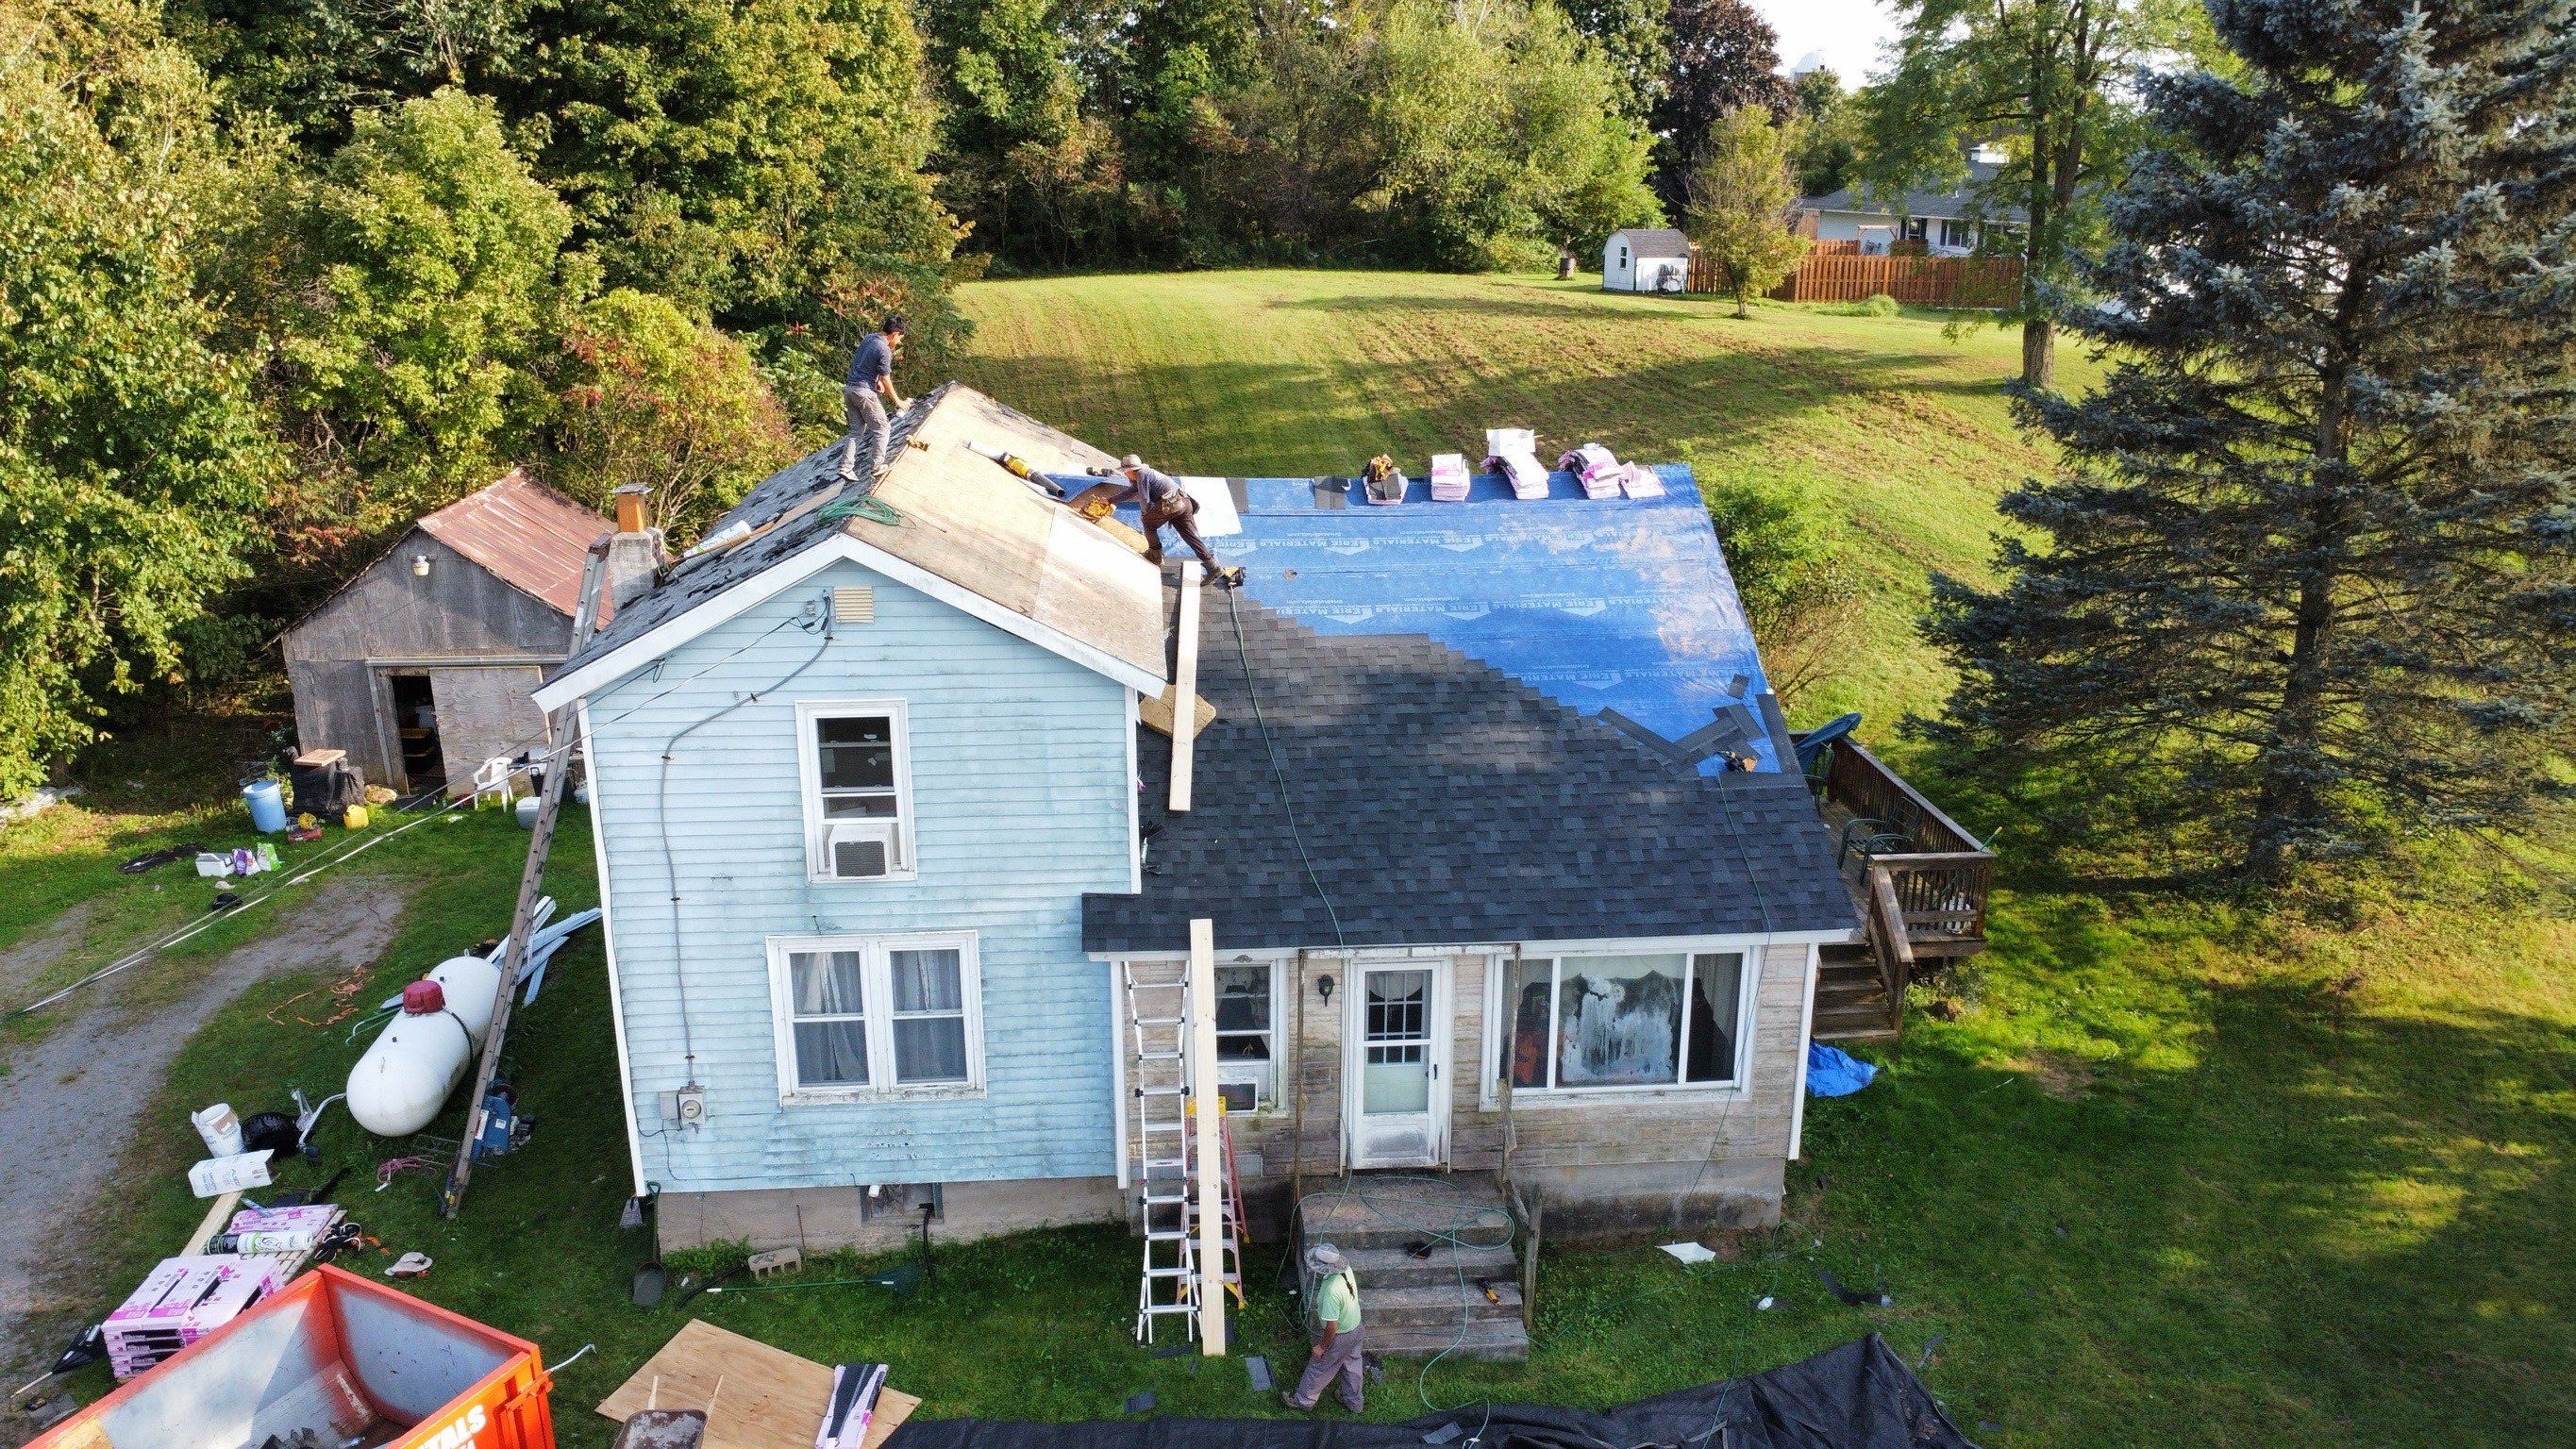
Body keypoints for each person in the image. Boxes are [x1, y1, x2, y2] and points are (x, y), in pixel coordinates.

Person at [1083, 454, 1240, 584]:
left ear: (1131, 470)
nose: (1124, 474)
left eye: (1125, 471)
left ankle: (1155, 555)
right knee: (1190, 536)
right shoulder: (1144, 474)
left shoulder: (1142, 474)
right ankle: (1214, 567)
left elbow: (1143, 498)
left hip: (1172, 504)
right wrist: (1110, 501)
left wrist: (1145, 514)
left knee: (1148, 523)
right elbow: (1131, 492)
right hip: (1184, 503)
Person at [1282, 1241, 1364, 1413]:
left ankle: (1303, 1401)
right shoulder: (1345, 1271)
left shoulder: (1331, 1292)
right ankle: (1354, 1402)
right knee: (1352, 1365)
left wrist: (1322, 1347)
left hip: (1340, 1336)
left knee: (1319, 1367)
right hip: (1356, 1328)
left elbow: (1332, 1327)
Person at [840, 315, 909, 485]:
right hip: (864, 393)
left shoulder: (869, 338)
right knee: (883, 428)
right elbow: (886, 378)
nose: (898, 342)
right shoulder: (884, 349)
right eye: (900, 338)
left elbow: (864, 364)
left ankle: (845, 468)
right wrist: (898, 401)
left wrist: (875, 381)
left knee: (856, 432)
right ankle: (877, 466)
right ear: (894, 333)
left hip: (849, 390)